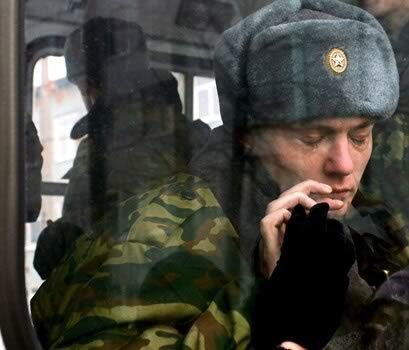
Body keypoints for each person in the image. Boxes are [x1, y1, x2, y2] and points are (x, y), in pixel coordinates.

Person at [31, 0, 409, 349]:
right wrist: (261, 308)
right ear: (248, 138)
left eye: (360, 136)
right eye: (312, 138)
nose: (344, 164)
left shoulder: (365, 217)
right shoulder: (165, 230)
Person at [33, 17, 210, 280]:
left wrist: (56, 241)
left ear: (91, 86)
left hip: (122, 304)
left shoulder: (96, 151)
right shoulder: (196, 137)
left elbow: (78, 257)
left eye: (82, 86)